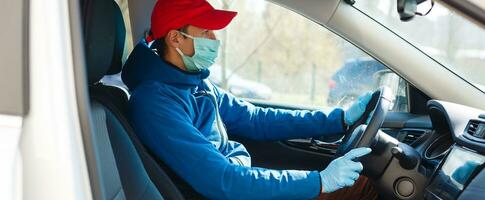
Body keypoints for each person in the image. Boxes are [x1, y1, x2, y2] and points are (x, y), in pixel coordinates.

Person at [121, 0, 378, 199]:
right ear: (176, 38)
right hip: (224, 191)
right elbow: (221, 180)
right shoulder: (155, 103)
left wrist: (338, 119)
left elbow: (254, 119)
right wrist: (318, 182)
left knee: (363, 184)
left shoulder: (193, 82)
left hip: (235, 184)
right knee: (365, 189)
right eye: (207, 32)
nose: (214, 40)